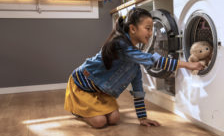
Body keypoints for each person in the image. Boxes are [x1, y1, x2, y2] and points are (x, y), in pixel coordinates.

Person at [64, 8, 204, 128]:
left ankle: (94, 109)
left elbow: (138, 89)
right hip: (82, 85)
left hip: (101, 91)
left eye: (152, 30)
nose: (150, 34)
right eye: (147, 29)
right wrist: (187, 64)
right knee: (100, 122)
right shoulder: (120, 45)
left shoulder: (134, 63)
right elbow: (153, 60)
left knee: (114, 119)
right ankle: (78, 111)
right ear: (132, 29)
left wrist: (142, 118)